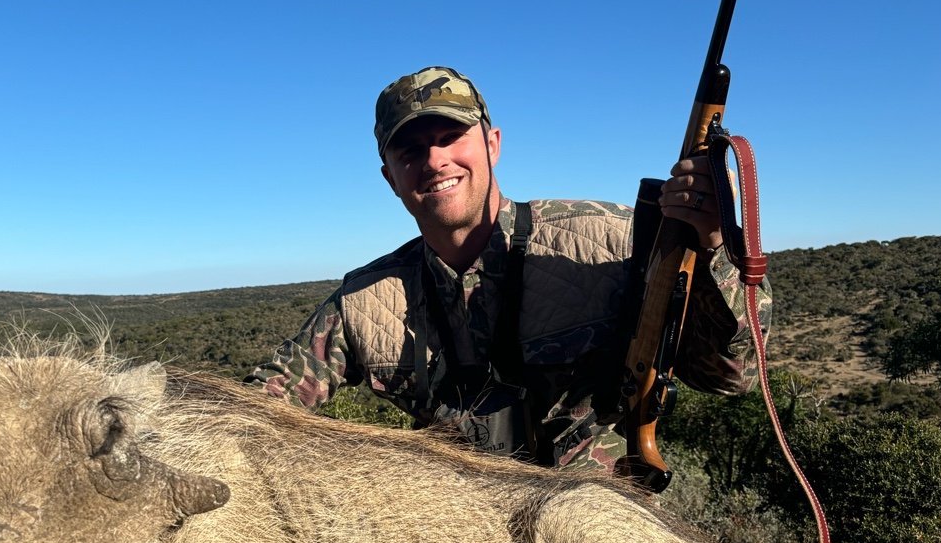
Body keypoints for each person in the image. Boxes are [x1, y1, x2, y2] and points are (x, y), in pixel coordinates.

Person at [248, 66, 768, 471]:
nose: (433, 160)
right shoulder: (366, 300)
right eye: (410, 150)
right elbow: (262, 407)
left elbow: (732, 375)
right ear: (390, 176)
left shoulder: (612, 239)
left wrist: (713, 245)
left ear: (492, 143)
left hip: (606, 526)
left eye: (451, 137)